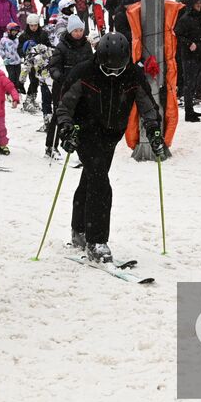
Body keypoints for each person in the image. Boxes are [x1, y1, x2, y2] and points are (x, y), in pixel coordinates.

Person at [55, 32, 166, 262]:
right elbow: (65, 105)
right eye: (109, 69)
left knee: (91, 177)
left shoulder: (133, 74)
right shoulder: (84, 72)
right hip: (85, 131)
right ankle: (96, 241)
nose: (114, 73)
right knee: (99, 181)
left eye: (119, 68)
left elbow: (147, 104)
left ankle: (80, 229)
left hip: (111, 134)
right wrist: (66, 128)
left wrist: (154, 129)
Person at [45, 14, 93, 158]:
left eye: (80, 30)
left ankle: (80, 147)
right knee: (59, 114)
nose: (78, 33)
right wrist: (61, 77)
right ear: (70, 31)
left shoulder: (86, 46)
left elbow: (92, 63)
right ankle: (51, 146)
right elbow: (53, 67)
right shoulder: (62, 46)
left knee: (81, 115)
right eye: (75, 31)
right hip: (63, 86)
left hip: (81, 86)